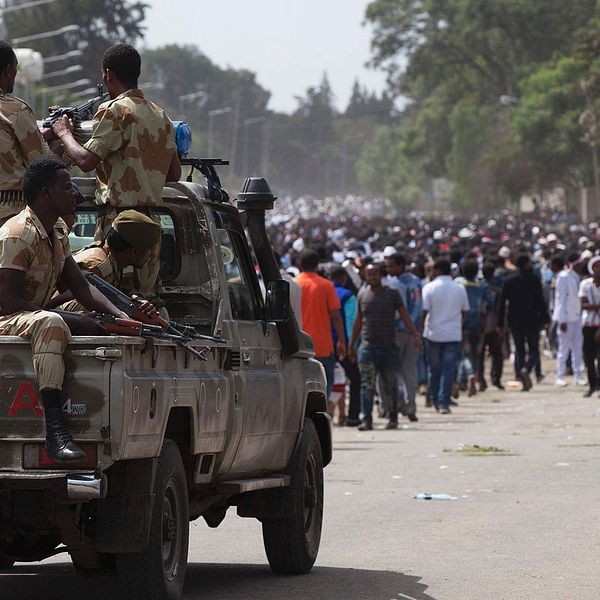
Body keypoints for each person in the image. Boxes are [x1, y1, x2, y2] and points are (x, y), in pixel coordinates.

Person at [0, 159, 127, 462]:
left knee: (70, 312)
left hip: (30, 316)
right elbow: (7, 301)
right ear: (46, 193)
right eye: (66, 186)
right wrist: (74, 321)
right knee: (52, 322)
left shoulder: (56, 230)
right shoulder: (17, 234)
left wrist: (122, 318)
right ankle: (56, 431)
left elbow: (82, 287)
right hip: (6, 316)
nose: (73, 192)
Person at [52, 43, 181, 306]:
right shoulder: (161, 115)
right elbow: (174, 173)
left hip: (120, 224)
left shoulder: (114, 110)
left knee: (111, 298)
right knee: (145, 301)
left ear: (108, 75)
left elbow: (86, 161)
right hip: (149, 226)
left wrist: (63, 132)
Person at [349, 264, 422, 430]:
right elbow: (358, 322)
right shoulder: (363, 295)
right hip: (367, 347)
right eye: (369, 274)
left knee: (390, 384)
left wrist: (415, 335)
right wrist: (351, 344)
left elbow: (405, 316)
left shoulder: (392, 294)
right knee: (366, 385)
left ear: (380, 274)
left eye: (374, 274)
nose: (372, 277)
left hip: (388, 346)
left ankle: (393, 417)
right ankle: (367, 419)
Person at [46, 209, 162, 314]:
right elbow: (56, 299)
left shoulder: (114, 263)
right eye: (148, 250)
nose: (150, 255)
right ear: (134, 251)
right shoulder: (99, 265)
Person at [0, 41, 62, 224]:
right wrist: (59, 148)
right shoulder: (16, 110)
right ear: (8, 71)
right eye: (16, 67)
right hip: (10, 214)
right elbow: (42, 167)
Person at [296, 249, 346, 400]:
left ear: (299, 264)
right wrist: (342, 341)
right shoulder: (326, 285)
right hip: (323, 346)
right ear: (317, 265)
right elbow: (336, 316)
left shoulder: (294, 284)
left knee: (300, 384)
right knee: (325, 382)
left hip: (299, 346)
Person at [421, 259, 469, 414]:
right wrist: (457, 325)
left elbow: (424, 312)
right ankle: (443, 402)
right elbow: (465, 311)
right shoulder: (459, 288)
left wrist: (421, 330)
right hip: (452, 334)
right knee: (448, 369)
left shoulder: (429, 288)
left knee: (433, 369)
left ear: (437, 270)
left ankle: (434, 398)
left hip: (433, 334)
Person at [497, 254, 549, 391]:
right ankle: (527, 368)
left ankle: (520, 375)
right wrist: (546, 318)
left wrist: (500, 322)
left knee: (519, 349)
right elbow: (540, 301)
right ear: (526, 264)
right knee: (533, 349)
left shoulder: (509, 280)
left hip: (515, 320)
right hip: (532, 320)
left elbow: (502, 303)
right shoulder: (534, 279)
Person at [384, 253, 422, 421]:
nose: (389, 270)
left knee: (394, 370)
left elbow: (400, 311)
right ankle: (411, 407)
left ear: (400, 266)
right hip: (414, 331)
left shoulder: (396, 285)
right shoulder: (416, 281)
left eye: (391, 266)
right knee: (410, 370)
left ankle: (398, 404)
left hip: (399, 330)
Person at [329, 265, 361, 426]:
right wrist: (351, 344)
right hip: (342, 344)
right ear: (343, 278)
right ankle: (352, 416)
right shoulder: (348, 296)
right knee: (355, 378)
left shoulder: (324, 292)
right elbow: (350, 321)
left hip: (324, 344)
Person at [550, 255, 584, 387]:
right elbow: (560, 299)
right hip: (566, 318)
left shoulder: (575, 276)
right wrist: (561, 319)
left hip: (577, 317)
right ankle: (560, 376)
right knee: (564, 349)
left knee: (577, 348)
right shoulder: (564, 276)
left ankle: (578, 376)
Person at [460, 260, 490, 396]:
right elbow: (488, 306)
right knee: (477, 355)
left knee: (465, 354)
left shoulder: (460, 287)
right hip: (478, 325)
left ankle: (469, 375)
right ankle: (475, 376)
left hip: (464, 325)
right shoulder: (481, 288)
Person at [479, 262, 504, 390]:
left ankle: (481, 380)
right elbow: (501, 309)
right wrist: (501, 325)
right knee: (497, 354)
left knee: (480, 355)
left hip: (480, 326)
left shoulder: (479, 288)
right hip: (494, 326)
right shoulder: (498, 290)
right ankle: (496, 378)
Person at [579, 256, 600, 397]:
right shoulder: (585, 284)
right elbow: (583, 304)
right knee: (588, 358)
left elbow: (587, 304)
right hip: (588, 325)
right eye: (596, 266)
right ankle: (592, 385)